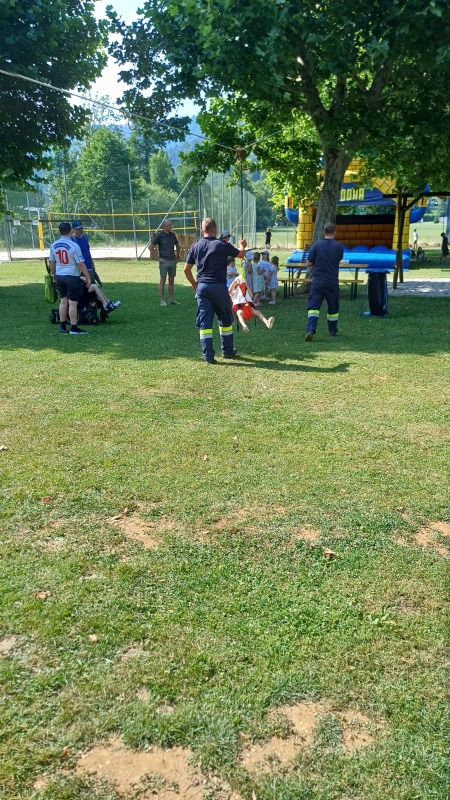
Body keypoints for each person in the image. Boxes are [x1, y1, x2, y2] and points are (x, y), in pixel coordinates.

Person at [183, 218, 247, 364]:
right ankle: (227, 350)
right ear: (215, 230)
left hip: (203, 288)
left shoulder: (196, 246)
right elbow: (241, 254)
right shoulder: (221, 244)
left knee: (205, 323)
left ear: (202, 231)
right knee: (225, 318)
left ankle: (208, 356)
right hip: (218, 287)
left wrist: (194, 284)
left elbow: (186, 270)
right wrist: (242, 245)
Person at [48, 221, 91, 335]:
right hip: (72, 276)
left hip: (60, 275)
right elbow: (80, 263)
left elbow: (51, 261)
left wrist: (54, 273)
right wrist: (87, 276)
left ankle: (62, 326)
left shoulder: (54, 245)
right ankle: (74, 328)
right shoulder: (74, 246)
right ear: (71, 231)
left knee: (63, 301)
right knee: (73, 303)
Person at [304, 222, 344, 341]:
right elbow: (339, 259)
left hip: (318, 281)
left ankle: (311, 330)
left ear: (324, 231)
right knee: (333, 307)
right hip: (332, 281)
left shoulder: (317, 245)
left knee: (313, 307)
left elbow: (309, 263)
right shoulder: (338, 246)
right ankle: (332, 331)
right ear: (335, 232)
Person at [72, 220, 121, 312]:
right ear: (73, 230)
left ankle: (107, 303)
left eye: (81, 228)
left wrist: (92, 263)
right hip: (81, 267)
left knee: (96, 285)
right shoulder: (73, 240)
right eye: (78, 229)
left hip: (89, 266)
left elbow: (88, 251)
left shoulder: (85, 237)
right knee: (90, 286)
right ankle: (105, 304)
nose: (80, 230)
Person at [151, 219, 181, 306]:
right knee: (163, 280)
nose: (171, 226)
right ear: (165, 226)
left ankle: (171, 299)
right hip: (164, 262)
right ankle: (162, 300)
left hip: (172, 261)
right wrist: (158, 258)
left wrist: (177, 256)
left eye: (171, 225)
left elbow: (178, 246)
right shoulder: (159, 236)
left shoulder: (173, 235)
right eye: (169, 225)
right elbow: (151, 247)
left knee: (171, 280)